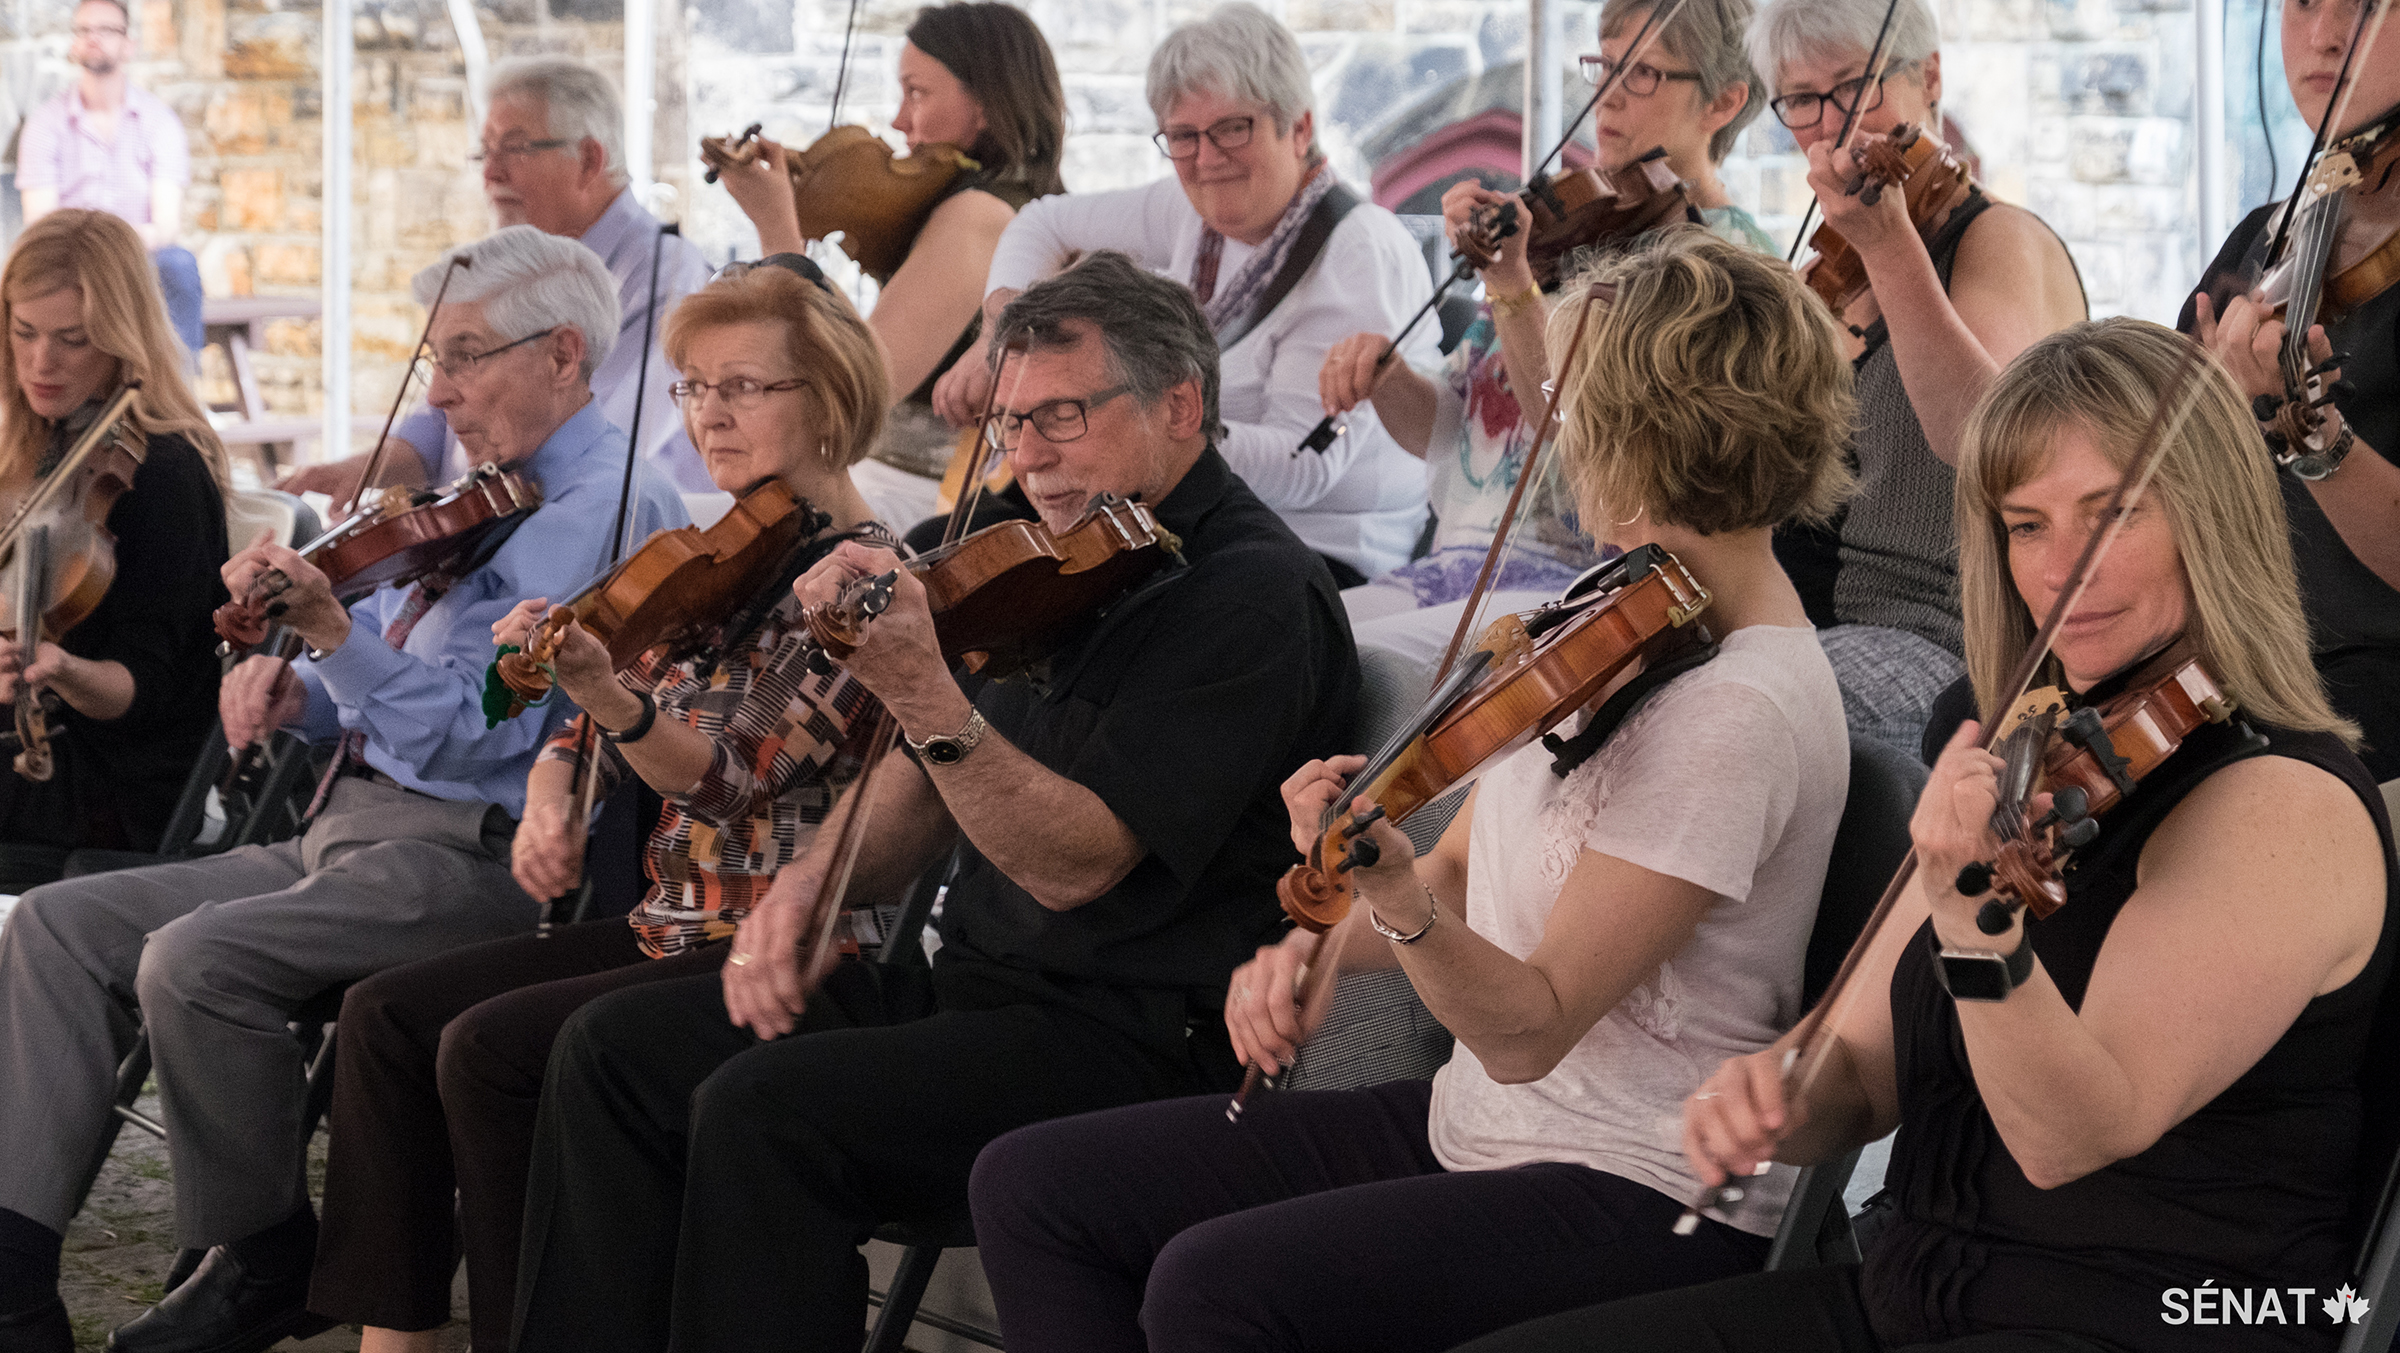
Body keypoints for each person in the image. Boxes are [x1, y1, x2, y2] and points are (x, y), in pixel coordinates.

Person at [968, 229, 1857, 1353]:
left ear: (1651, 425)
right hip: (1484, 1127)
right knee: (1039, 1188)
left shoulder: (1741, 705)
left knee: (1219, 1288)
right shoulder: (1616, 611)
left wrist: (1392, 900)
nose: (1552, 432)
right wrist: (1318, 948)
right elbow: (1450, 868)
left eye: (1571, 405)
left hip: (1640, 1182)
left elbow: (1531, 1026)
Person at [1450, 317, 2394, 1353]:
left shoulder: (2279, 803)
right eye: (2026, 526)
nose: (2062, 572)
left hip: (2140, 1322)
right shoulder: (2024, 749)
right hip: (1912, 1297)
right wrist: (1778, 1098)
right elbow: (1855, 1076)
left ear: (2212, 516)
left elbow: (2073, 1134)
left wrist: (1975, 926)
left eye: (2111, 513)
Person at [507, 252, 1359, 1353]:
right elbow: (922, 781)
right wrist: (811, 890)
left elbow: (1076, 861)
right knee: (611, 1051)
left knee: (767, 1111)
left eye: (1060, 417)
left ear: (1181, 404)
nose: (1029, 457)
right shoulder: (1053, 548)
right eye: (1009, 424)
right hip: (979, 992)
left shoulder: (1253, 593)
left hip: (1133, 1037)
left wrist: (919, 683)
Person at [0, 225, 687, 1353]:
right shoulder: (475, 497)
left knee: (196, 961)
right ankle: (15, 1282)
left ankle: (266, 1252)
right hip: (345, 829)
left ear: (565, 352)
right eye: (434, 360)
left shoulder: (603, 512)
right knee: (56, 928)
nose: (441, 391)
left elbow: (477, 729)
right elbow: (366, 686)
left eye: (465, 356)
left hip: (480, 855)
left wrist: (329, 635)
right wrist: (295, 688)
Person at [303, 255, 893, 1353]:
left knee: (491, 1048)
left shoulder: (863, 576)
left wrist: (605, 703)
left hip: (784, 951)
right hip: (668, 927)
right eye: (693, 389)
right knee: (383, 1017)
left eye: (743, 389)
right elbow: (569, 693)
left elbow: (730, 774)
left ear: (830, 400)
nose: (709, 416)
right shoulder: (720, 555)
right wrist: (550, 774)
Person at [1322, 0, 1772, 667]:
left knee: (1329, 656)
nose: (1608, 96)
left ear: (1723, 102)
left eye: (1642, 74)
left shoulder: (1725, 264)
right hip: (1452, 567)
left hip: (1570, 587)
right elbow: (1451, 433)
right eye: (1604, 66)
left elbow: (1575, 436)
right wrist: (1387, 381)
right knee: (1280, 631)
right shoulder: (1573, 231)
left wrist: (1512, 286)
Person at [936, 2, 1437, 585]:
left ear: (1299, 128)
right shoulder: (1187, 210)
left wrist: (1141, 425)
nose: (1205, 159)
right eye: (1183, 136)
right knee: (947, 548)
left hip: (1315, 550)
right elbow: (1041, 222)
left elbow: (1304, 466)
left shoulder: (1357, 254)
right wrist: (1000, 339)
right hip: (1167, 512)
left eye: (1232, 129)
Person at [1750, 0, 2085, 761]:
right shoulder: (1830, 272)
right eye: (1803, 100)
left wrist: (1892, 250)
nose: (1835, 126)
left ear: (1928, 77)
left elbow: (1983, 437)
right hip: (1794, 623)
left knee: (1731, 714)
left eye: (1857, 86)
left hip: (1931, 638)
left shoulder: (1997, 237)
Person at [282, 57, 715, 499]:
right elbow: (440, 418)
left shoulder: (664, 271)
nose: (491, 173)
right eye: (485, 152)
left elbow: (592, 438)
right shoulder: (510, 268)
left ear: (588, 159)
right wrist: (368, 468)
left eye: (516, 148)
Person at [718, 1, 1066, 529]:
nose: (899, 120)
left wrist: (779, 233)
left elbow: (871, 377)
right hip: (885, 483)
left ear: (988, 104)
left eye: (917, 92)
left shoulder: (979, 212)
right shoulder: (1005, 201)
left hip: (916, 503)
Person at [2184, 0, 2400, 782]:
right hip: (2246, 646)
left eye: (2370, 7)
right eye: (2303, 2)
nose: (2327, 35)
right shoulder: (2265, 239)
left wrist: (2305, 428)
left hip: (2374, 679)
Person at [0, 209, 228, 887]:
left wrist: (60, 668)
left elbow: (146, 692)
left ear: (122, 339)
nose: (42, 361)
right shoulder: (35, 444)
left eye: (73, 338)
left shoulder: (162, 474)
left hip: (105, 781)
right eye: (24, 332)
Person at [12, 0, 203, 357]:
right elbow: (40, 225)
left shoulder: (159, 123)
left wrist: (115, 247)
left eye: (105, 29)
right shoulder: (45, 124)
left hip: (141, 259)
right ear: (73, 44)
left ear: (128, 43)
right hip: (70, 260)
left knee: (178, 265)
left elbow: (166, 226)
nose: (93, 38)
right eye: (83, 30)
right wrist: (91, 250)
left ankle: (184, 390)